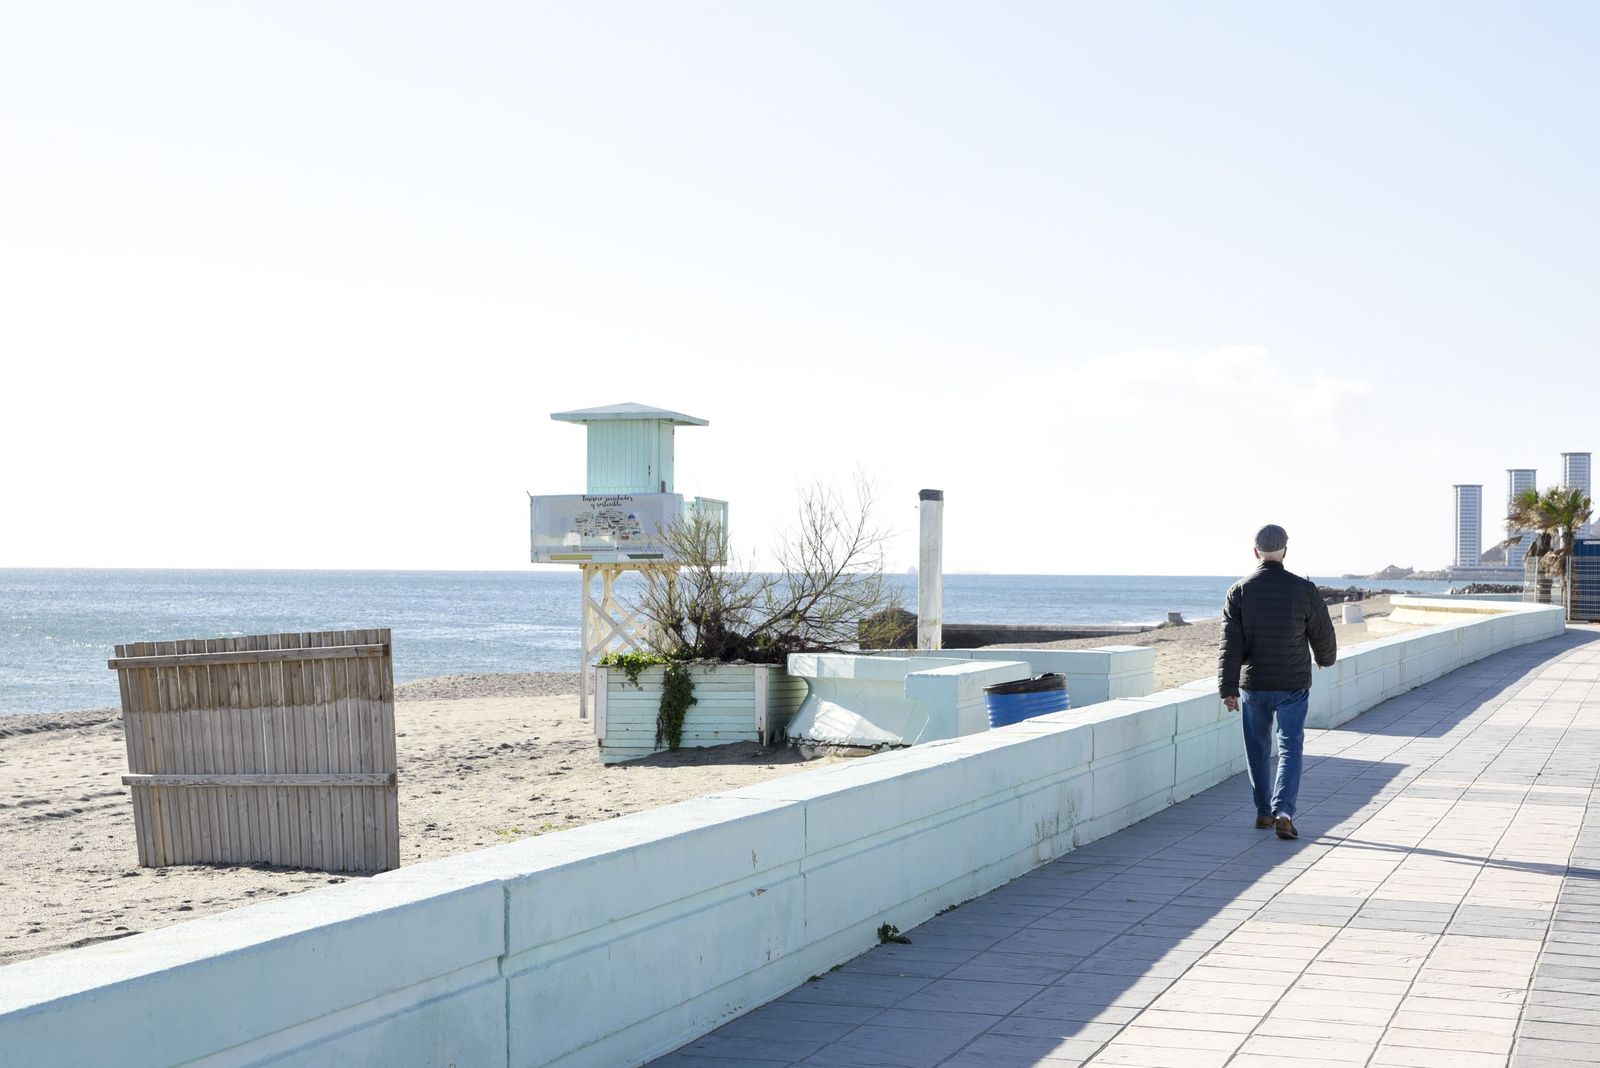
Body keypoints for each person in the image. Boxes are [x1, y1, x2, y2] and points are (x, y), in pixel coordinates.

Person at [1217, 524, 1336, 840]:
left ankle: (1262, 813)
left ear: (1256, 552)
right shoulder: (1304, 589)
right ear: (1285, 550)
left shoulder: (1239, 591)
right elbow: (1322, 633)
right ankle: (1284, 812)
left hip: (1254, 684)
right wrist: (1325, 659)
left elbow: (1230, 644)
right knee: (1290, 746)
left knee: (1257, 748)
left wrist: (1228, 688)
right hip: (1293, 684)